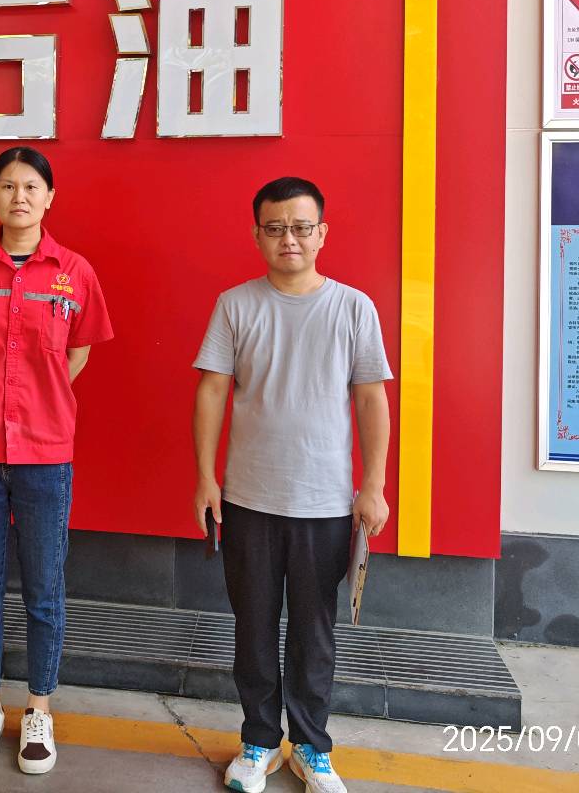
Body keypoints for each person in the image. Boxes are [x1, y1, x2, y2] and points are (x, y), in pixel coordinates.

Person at [191, 177, 391, 793]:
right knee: (252, 627)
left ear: (322, 233)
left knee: (313, 631)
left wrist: (373, 485)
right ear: (257, 235)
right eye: (275, 228)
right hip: (248, 499)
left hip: (324, 503)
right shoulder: (236, 305)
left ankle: (310, 746)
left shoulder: (353, 307)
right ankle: (257, 742)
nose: (289, 239)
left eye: (301, 227)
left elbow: (371, 399)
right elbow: (212, 390)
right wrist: (206, 477)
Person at [0, 146, 113, 775]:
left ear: (49, 197)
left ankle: (38, 708)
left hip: (46, 451)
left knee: (43, 586)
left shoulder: (74, 272)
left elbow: (79, 351)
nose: (20, 197)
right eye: (8, 186)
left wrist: (41, 396)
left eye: (32, 186)